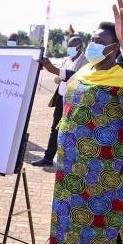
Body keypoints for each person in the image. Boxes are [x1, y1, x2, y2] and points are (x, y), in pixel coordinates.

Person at [33, 22, 123, 244]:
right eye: (92, 38)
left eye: (98, 39)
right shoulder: (84, 72)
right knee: (68, 230)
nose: (92, 44)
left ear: (115, 46)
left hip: (106, 176)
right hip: (70, 173)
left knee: (100, 236)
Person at [32, 36, 87, 167]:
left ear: (80, 47)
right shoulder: (66, 60)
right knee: (55, 129)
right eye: (68, 46)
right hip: (61, 99)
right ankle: (48, 158)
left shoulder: (86, 61)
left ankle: (72, 163)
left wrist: (62, 75)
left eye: (72, 47)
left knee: (72, 131)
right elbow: (58, 78)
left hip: (75, 102)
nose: (70, 49)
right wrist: (61, 75)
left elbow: (78, 77)